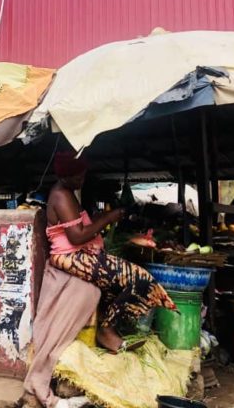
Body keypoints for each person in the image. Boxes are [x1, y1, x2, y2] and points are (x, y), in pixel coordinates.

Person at [46, 151, 177, 353]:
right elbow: (77, 237)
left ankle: (108, 328)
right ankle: (107, 331)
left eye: (83, 174)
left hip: (80, 254)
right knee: (140, 279)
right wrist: (109, 218)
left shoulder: (67, 192)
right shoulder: (61, 195)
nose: (82, 179)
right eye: (78, 176)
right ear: (65, 177)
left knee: (122, 281)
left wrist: (101, 217)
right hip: (69, 257)